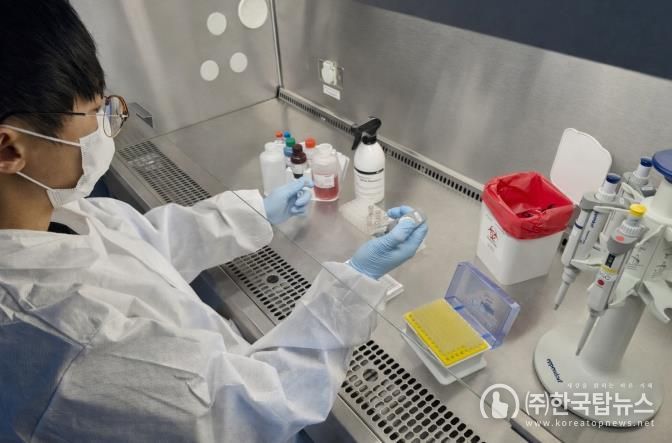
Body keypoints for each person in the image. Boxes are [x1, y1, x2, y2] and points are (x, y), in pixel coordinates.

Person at [0, 1, 428, 442]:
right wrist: (354, 284)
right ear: (10, 149)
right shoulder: (72, 340)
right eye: (92, 114)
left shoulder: (46, 213)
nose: (108, 126)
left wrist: (255, 212)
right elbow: (254, 405)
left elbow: (143, 247)